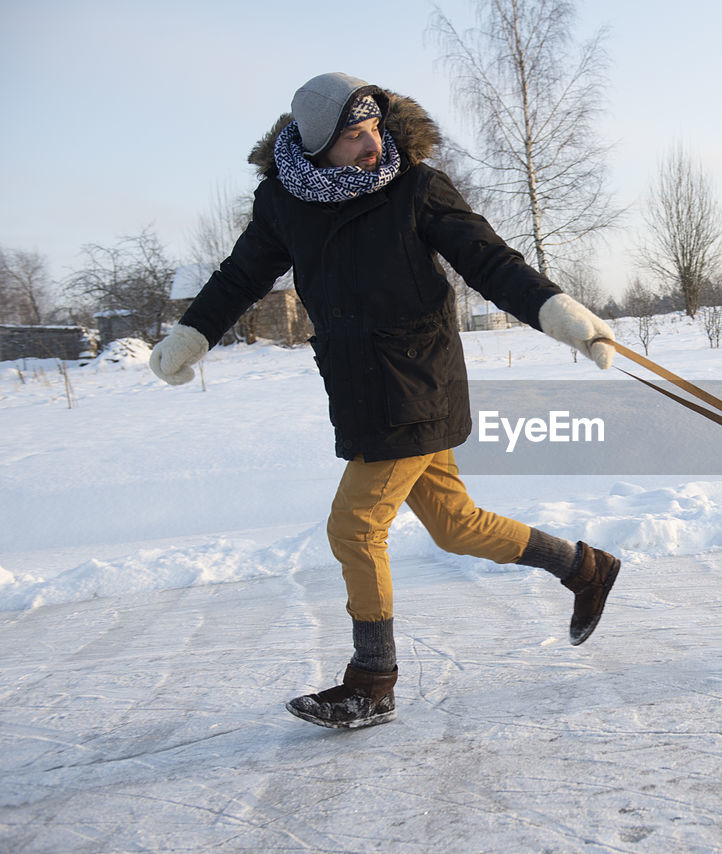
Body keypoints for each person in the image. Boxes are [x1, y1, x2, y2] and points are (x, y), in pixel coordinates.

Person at [150, 72, 622, 730]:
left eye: (374, 127)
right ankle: (584, 568)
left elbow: (488, 260)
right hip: (359, 386)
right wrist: (192, 335)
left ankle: (372, 680)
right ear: (317, 146)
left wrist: (558, 314)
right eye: (353, 135)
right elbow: (241, 275)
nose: (372, 144)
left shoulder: (416, 188)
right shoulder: (284, 202)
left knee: (354, 527)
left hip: (416, 384)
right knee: (456, 524)